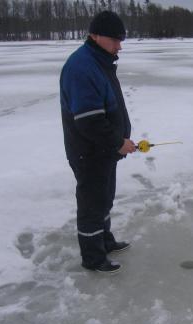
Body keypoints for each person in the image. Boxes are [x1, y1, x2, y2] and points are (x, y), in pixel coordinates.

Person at [60, 11, 136, 274]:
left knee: (104, 199)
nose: (119, 46)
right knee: (92, 204)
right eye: (115, 40)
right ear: (95, 36)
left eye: (121, 39)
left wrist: (119, 141)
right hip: (89, 151)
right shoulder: (82, 67)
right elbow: (89, 121)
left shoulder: (101, 61)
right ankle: (92, 257)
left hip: (104, 150)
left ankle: (104, 240)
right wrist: (118, 142)